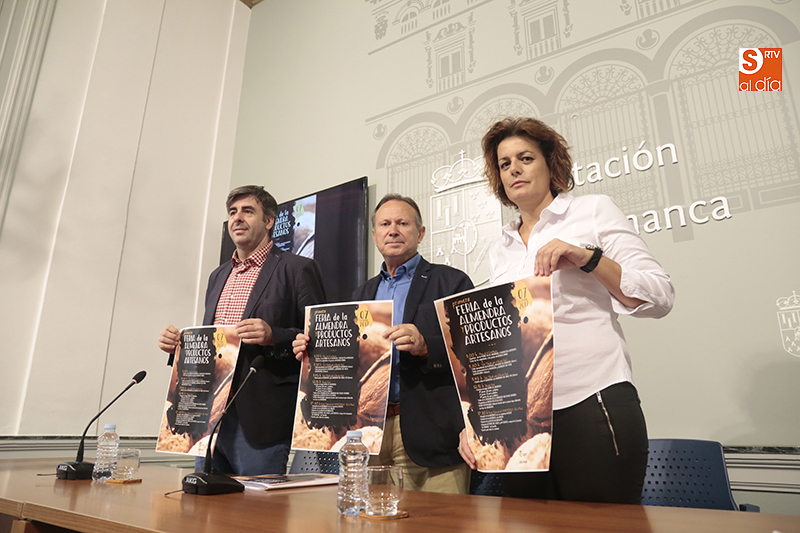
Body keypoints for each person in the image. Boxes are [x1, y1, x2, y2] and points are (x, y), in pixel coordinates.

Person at [458, 118, 675, 503]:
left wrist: (589, 259)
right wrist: (478, 418)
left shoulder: (592, 211)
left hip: (592, 400)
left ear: (550, 164)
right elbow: (501, 346)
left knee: (601, 527)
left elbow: (661, 295)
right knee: (526, 526)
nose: (514, 169)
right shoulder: (500, 248)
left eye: (525, 158)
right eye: (505, 164)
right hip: (520, 419)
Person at [293, 194, 474, 493]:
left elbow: (475, 354)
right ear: (375, 235)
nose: (393, 231)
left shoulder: (451, 282)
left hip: (433, 432)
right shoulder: (360, 294)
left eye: (403, 223)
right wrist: (312, 351)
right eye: (385, 224)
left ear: (420, 233)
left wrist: (427, 346)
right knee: (372, 517)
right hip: (367, 434)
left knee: (440, 517)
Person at [158, 185, 326, 476]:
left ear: (269, 221)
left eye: (248, 211)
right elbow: (214, 343)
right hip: (208, 413)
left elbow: (321, 340)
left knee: (256, 503)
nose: (237, 218)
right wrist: (180, 346)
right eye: (233, 212)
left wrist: (274, 335)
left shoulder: (298, 269)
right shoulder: (218, 275)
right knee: (205, 500)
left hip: (261, 416)